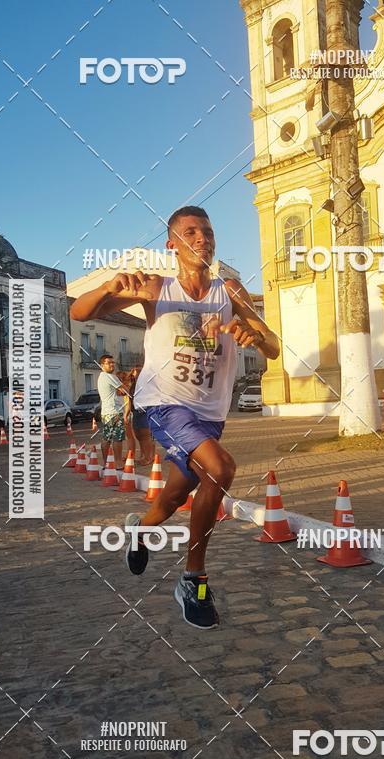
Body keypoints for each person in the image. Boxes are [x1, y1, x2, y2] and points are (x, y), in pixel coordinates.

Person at [70, 206, 280, 629]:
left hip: (210, 412)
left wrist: (253, 335)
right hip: (164, 403)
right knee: (220, 468)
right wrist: (110, 286)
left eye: (208, 230)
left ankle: (140, 530)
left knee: (173, 496)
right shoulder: (155, 286)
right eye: (190, 232)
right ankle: (193, 579)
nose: (202, 238)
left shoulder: (230, 292)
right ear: (172, 244)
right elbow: (80, 312)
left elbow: (273, 347)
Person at [97, 354, 125, 471]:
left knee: (106, 437)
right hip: (115, 411)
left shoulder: (101, 377)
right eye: (109, 363)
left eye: (113, 362)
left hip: (106, 411)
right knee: (117, 438)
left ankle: (106, 463)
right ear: (102, 365)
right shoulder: (110, 376)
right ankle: (118, 463)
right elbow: (125, 390)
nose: (112, 365)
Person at [128, 366, 155, 466]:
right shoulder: (133, 384)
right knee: (139, 435)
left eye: (138, 372)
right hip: (135, 412)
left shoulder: (146, 384)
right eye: (135, 372)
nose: (136, 374)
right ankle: (144, 456)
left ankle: (148, 457)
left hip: (144, 412)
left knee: (145, 435)